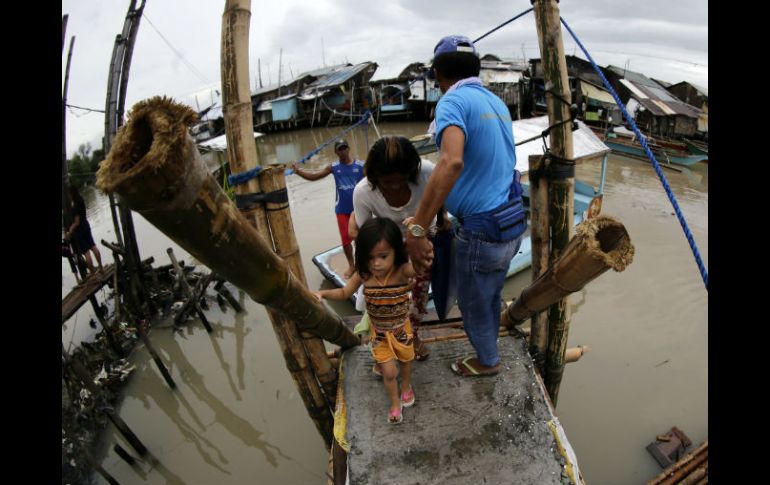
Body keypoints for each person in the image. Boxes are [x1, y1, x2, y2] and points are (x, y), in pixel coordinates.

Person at [405, 35, 527, 378]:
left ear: (438, 75)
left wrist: (417, 228)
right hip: (512, 220)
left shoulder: (452, 101)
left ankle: (487, 361)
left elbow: (451, 163)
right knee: (490, 293)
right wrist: (444, 215)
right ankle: (490, 348)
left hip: (484, 228)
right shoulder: (495, 102)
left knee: (474, 303)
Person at [314, 218, 417, 424]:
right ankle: (395, 403)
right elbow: (344, 292)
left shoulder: (402, 271)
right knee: (389, 372)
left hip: (401, 329)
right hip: (379, 334)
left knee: (405, 362)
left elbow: (420, 264)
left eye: (383, 256)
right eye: (370, 258)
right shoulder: (364, 275)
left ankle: (406, 386)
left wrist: (416, 232)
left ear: (397, 251)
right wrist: (322, 293)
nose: (376, 263)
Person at [350, 136, 439, 361]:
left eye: (402, 181)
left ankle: (413, 335)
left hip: (423, 239)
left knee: (419, 294)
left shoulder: (427, 172)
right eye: (387, 183)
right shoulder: (363, 192)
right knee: (387, 295)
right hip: (389, 247)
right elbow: (366, 236)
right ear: (373, 177)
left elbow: (442, 196)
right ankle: (382, 337)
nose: (395, 186)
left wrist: (438, 222)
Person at [293, 139, 364, 278]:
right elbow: (314, 177)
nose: (343, 151)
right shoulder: (333, 167)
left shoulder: (361, 166)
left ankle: (361, 263)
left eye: (345, 148)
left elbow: (373, 179)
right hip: (342, 210)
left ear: (349, 149)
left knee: (361, 238)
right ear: (336, 152)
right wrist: (298, 172)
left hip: (359, 209)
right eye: (340, 149)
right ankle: (351, 265)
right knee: (346, 240)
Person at [65, 185, 103, 277]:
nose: (69, 196)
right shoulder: (81, 199)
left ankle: (93, 274)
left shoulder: (75, 206)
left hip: (80, 230)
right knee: (93, 246)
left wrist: (70, 230)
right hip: (86, 225)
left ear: (71, 194)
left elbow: (77, 222)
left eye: (69, 194)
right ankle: (101, 267)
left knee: (86, 253)